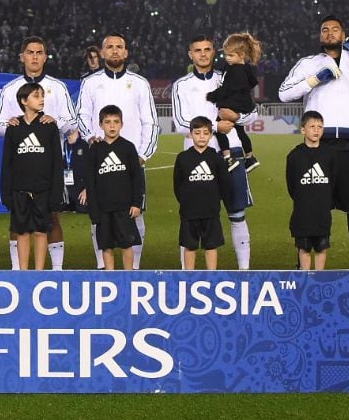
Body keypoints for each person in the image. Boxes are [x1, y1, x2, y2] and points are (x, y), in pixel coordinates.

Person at [279, 16, 349, 269]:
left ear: (343, 35)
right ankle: (304, 264)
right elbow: (284, 93)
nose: (329, 33)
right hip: (320, 145)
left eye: (335, 29)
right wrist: (315, 80)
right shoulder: (309, 63)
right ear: (319, 36)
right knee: (313, 207)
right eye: (324, 30)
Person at [0, 36, 78, 270]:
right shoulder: (11, 89)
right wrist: (10, 122)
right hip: (22, 165)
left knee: (52, 216)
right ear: (22, 56)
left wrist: (54, 121)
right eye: (30, 52)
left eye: (39, 52)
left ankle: (56, 269)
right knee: (17, 221)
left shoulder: (58, 87)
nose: (34, 57)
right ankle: (17, 269)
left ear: (45, 56)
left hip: (48, 165)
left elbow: (72, 121)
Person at [173, 35, 256, 269]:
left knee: (236, 211)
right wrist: (214, 125)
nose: (202, 54)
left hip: (231, 151)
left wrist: (238, 117)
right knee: (191, 216)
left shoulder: (229, 76)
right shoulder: (182, 84)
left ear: (213, 52)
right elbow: (180, 122)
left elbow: (252, 113)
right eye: (197, 50)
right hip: (196, 156)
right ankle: (186, 275)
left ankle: (244, 270)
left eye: (207, 49)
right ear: (190, 54)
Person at [77, 32, 158, 269]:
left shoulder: (140, 83)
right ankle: (104, 266)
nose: (114, 50)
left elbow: (150, 122)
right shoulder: (90, 83)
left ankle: (134, 269)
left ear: (126, 52)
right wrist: (90, 137)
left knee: (135, 213)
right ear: (102, 53)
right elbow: (82, 115)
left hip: (131, 161)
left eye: (119, 47)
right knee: (99, 213)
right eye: (109, 47)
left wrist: (143, 154)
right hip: (101, 159)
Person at [0, 83, 64, 270]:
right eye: (37, 96)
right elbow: (7, 163)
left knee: (40, 231)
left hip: (43, 190)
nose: (42, 99)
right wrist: (7, 193)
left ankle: (39, 273)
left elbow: (56, 163)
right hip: (19, 189)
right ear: (24, 101)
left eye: (43, 95)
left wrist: (56, 193)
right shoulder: (14, 127)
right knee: (21, 231)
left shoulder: (49, 126)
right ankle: (23, 272)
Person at [80, 105, 144, 271]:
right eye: (107, 122)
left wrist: (137, 203)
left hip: (124, 207)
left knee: (127, 244)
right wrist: (93, 210)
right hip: (103, 208)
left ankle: (128, 276)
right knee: (106, 246)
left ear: (122, 124)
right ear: (100, 125)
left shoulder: (128, 147)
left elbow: (137, 177)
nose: (112, 126)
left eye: (116, 122)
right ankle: (110, 276)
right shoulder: (95, 149)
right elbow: (90, 181)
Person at [172, 116, 233, 270]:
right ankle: (189, 276)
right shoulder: (183, 158)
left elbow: (224, 184)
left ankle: (211, 276)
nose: (201, 137)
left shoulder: (216, 158)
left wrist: (215, 201)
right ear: (190, 134)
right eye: (197, 133)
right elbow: (177, 185)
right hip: (189, 211)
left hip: (210, 210)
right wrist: (185, 202)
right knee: (189, 245)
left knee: (211, 246)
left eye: (205, 133)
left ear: (211, 135)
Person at [285, 111, 338, 271]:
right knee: (304, 247)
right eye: (312, 126)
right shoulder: (295, 156)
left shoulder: (329, 154)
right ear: (303, 130)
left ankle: (320, 277)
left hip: (322, 211)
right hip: (303, 212)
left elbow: (333, 181)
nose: (316, 130)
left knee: (322, 247)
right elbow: (291, 184)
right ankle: (305, 278)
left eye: (320, 127)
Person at [206, 32, 262, 173]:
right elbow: (251, 83)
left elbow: (227, 89)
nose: (227, 58)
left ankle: (228, 158)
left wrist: (211, 96)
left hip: (232, 105)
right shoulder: (245, 69)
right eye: (226, 54)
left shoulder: (235, 71)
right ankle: (250, 157)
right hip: (242, 105)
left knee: (219, 128)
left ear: (241, 55)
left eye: (230, 55)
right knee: (240, 131)